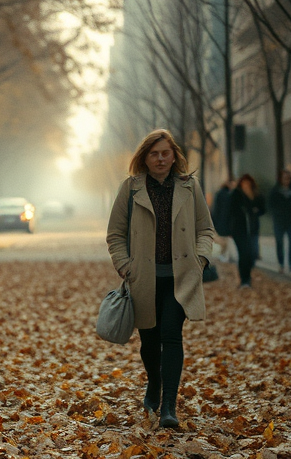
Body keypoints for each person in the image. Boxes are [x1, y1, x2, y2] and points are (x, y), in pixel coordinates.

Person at [106, 128, 214, 429]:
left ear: (174, 155)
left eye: (165, 152)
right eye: (154, 153)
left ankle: (169, 405)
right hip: (144, 278)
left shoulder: (189, 186)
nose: (160, 158)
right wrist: (124, 265)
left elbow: (205, 229)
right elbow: (115, 233)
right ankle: (154, 382)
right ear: (144, 157)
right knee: (150, 342)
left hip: (181, 278)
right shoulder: (131, 188)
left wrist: (201, 258)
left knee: (171, 335)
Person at [227, 174, 261, 288]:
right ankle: (244, 280)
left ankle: (247, 277)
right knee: (244, 254)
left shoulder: (255, 194)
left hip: (252, 229)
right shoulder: (236, 194)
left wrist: (255, 211)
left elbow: (262, 207)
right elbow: (231, 210)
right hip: (239, 229)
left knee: (252, 254)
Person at [268, 168, 291, 272]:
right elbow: (271, 205)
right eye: (284, 178)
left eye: (288, 178)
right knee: (279, 242)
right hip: (279, 221)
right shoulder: (275, 191)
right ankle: (281, 263)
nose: (286, 180)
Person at [211, 178, 236, 262]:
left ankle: (225, 254)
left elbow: (216, 208)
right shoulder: (229, 194)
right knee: (225, 239)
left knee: (224, 239)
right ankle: (225, 254)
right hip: (225, 219)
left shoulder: (221, 193)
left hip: (221, 219)